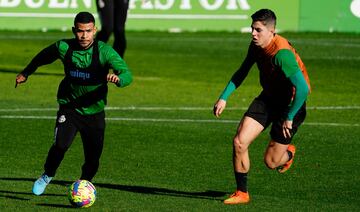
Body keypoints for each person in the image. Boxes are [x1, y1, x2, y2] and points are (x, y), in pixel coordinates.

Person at [15, 11, 132, 196]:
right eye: (79, 31)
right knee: (60, 145)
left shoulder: (104, 51)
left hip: (94, 112)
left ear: (95, 30)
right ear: (73, 30)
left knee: (93, 159)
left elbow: (127, 73)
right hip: (69, 108)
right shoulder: (64, 47)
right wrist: (26, 72)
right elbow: (42, 57)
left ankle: (85, 184)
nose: (84, 36)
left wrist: (119, 79)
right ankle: (47, 175)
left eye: (88, 31)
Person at [213, 9, 310, 204]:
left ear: (271, 31)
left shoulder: (282, 54)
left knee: (271, 162)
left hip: (291, 105)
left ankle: (288, 153)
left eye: (258, 30)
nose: (253, 33)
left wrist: (290, 116)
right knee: (240, 141)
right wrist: (224, 97)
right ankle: (242, 193)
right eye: (252, 28)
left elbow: (303, 89)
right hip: (268, 99)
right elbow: (242, 71)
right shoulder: (256, 46)